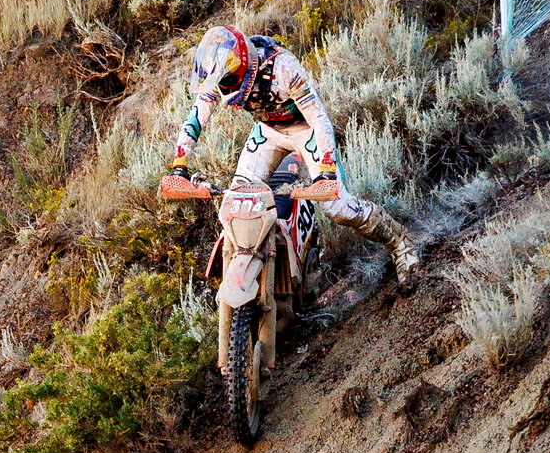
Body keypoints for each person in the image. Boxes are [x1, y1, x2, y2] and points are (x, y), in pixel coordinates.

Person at [161, 20, 421, 279]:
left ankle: (399, 242)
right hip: (268, 131)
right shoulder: (221, 72)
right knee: (238, 202)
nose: (225, 86)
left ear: (240, 66)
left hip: (305, 130)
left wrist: (327, 172)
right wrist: (179, 165)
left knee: (337, 208)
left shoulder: (281, 66)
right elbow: (195, 118)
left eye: (229, 80)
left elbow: (319, 118)